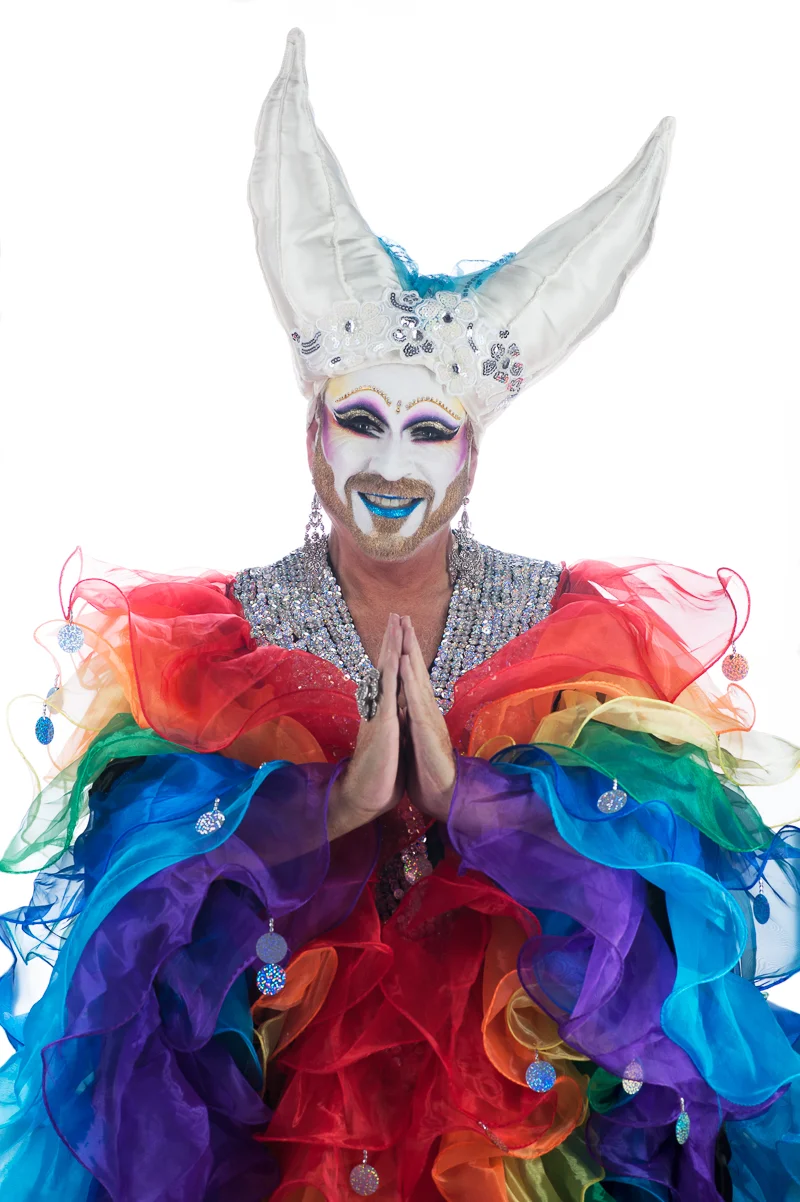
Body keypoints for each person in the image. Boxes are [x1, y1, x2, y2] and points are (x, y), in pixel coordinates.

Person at [1, 26, 799, 1202]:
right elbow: (131, 927)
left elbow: (663, 912)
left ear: (470, 455)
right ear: (312, 435)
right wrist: (330, 806)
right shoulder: (223, 647)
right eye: (361, 419)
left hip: (524, 1118)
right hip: (278, 1118)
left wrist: (475, 797)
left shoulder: (564, 634)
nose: (389, 463)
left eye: (428, 429)